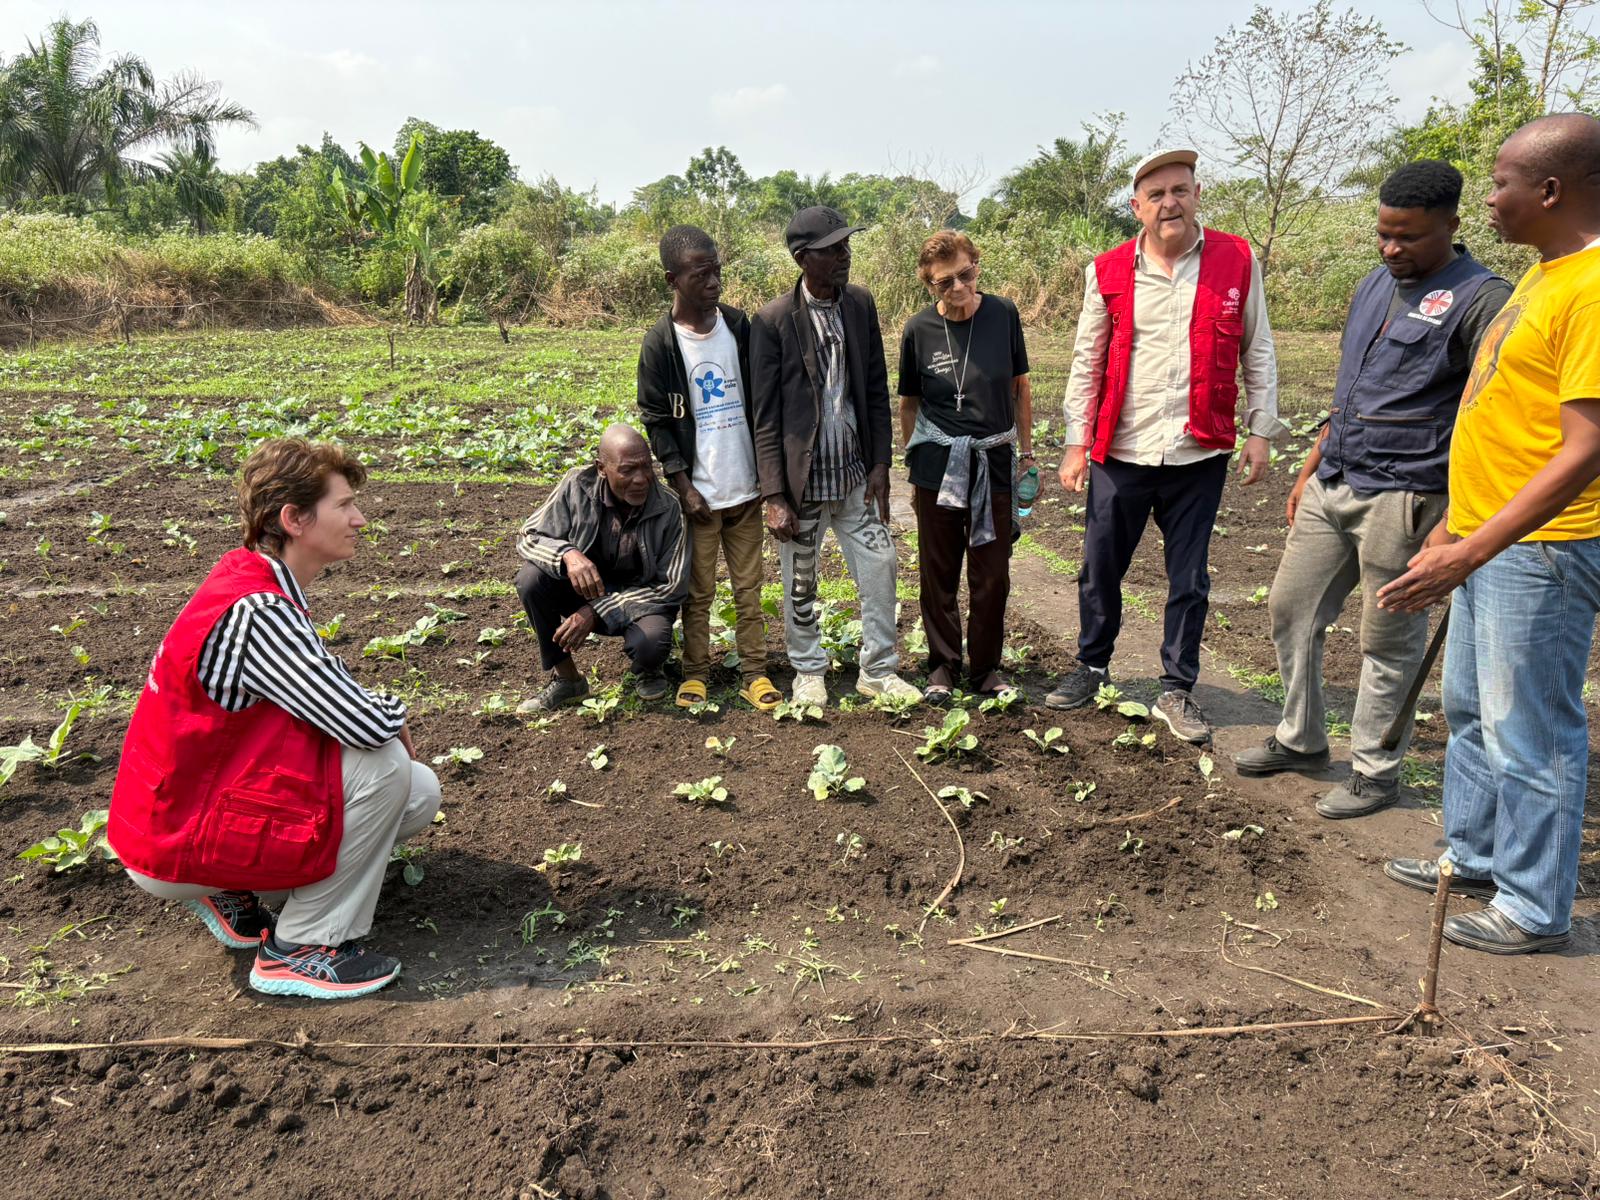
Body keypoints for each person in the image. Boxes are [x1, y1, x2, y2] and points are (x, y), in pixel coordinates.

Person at [107, 438, 442, 1000]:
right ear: (294, 519)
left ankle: (230, 885)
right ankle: (303, 948)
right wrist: (396, 721)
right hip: (175, 839)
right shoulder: (259, 612)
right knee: (389, 768)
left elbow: (325, 698)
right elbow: (364, 725)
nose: (360, 519)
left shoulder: (243, 577)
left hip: (168, 818)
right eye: (344, 505)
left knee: (415, 789)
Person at [1378, 114, 1600, 955]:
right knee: (1469, 708)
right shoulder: (1546, 276)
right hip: (1486, 538)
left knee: (1531, 726)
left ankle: (1536, 906)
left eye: (1503, 181)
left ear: (1550, 190)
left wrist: (1478, 545)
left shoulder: (1593, 289)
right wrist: (1456, 530)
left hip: (1540, 550)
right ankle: (1472, 855)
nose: (1492, 196)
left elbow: (1586, 448)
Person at [1236, 162, 1511, 818]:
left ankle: (1375, 769)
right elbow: (1353, 390)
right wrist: (1310, 467)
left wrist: (1454, 523)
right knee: (1290, 608)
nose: (1391, 249)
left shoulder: (1482, 299)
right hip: (1337, 478)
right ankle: (1300, 739)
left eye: (1407, 237)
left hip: (1408, 497)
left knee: (1386, 640)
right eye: (1383, 235)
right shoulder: (1373, 286)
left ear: (1451, 224)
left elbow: (1488, 419)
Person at [1049, 147, 1283, 743]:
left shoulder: (1235, 258)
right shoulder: (1107, 270)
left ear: (1197, 194)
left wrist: (1260, 429)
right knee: (1100, 568)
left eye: (1180, 190)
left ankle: (1177, 688)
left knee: (1189, 578)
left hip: (1197, 452)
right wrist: (1076, 442)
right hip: (1121, 451)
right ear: (1137, 207)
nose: (1169, 203)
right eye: (1156, 195)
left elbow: (1257, 348)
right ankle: (1091, 665)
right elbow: (1087, 360)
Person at [750, 205, 921, 707]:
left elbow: (873, 389)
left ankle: (879, 670)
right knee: (801, 582)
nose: (845, 254)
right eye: (834, 248)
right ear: (804, 258)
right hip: (802, 487)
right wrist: (775, 494)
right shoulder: (773, 320)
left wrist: (881, 465)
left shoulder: (859, 305)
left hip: (851, 477)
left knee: (881, 564)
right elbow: (766, 416)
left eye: (847, 244)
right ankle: (807, 670)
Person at [636, 224, 781, 711]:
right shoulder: (660, 344)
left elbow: (765, 402)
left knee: (749, 589)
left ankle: (755, 672)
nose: (714, 281)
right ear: (672, 279)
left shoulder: (740, 328)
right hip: (698, 497)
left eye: (717, 270)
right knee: (697, 593)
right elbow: (656, 420)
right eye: (701, 273)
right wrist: (683, 486)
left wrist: (767, 475)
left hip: (744, 491)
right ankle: (696, 671)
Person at [898, 229, 1033, 702]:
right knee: (938, 570)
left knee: (992, 573)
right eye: (943, 283)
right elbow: (910, 404)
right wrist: (913, 456)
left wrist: (1027, 454)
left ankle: (986, 670)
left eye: (964, 275)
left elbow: (1020, 387)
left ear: (977, 264)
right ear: (928, 285)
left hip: (993, 463)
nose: (957, 288)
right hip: (937, 468)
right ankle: (941, 667)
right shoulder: (918, 330)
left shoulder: (1003, 315)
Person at [515, 423, 689, 710]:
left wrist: (597, 611)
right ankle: (568, 680)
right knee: (531, 579)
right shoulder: (575, 485)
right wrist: (568, 554)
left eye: (646, 467)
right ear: (601, 468)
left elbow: (671, 585)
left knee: (651, 643)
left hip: (640, 600)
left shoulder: (669, 506)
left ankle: (648, 669)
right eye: (627, 470)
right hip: (582, 590)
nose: (641, 479)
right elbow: (528, 535)